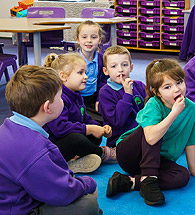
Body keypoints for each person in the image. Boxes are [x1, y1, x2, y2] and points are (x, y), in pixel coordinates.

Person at [106, 59, 195, 206]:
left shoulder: (192, 108)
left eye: (179, 82)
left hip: (157, 160)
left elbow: (191, 141)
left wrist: (193, 169)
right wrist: (174, 113)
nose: (176, 89)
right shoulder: (154, 104)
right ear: (157, 92)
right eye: (167, 87)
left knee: (182, 176)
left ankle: (130, 182)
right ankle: (149, 178)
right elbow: (150, 138)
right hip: (129, 154)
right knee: (153, 131)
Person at [0, 65, 102, 215]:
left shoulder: (7, 127)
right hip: (15, 210)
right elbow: (63, 192)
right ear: (47, 107)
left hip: (12, 198)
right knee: (88, 204)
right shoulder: (35, 149)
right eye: (60, 97)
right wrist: (88, 184)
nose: (62, 101)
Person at [43, 53, 116, 174]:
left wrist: (98, 128)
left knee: (94, 136)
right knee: (77, 139)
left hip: (67, 140)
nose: (86, 76)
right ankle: (102, 153)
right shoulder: (58, 98)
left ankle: (72, 162)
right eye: (80, 73)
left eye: (85, 72)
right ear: (63, 76)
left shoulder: (76, 94)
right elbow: (60, 129)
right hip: (53, 147)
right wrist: (89, 129)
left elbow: (84, 117)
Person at [98, 46, 146, 147]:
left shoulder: (140, 86)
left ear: (131, 67)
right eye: (114, 66)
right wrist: (127, 94)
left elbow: (149, 110)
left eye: (124, 65)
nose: (120, 70)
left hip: (143, 132)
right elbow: (118, 121)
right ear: (106, 71)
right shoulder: (105, 92)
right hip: (121, 139)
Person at [76, 20, 109, 123]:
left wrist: (99, 99)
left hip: (93, 99)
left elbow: (103, 82)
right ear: (78, 39)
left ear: (100, 40)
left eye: (94, 37)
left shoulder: (102, 60)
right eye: (84, 37)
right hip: (76, 99)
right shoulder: (72, 60)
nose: (89, 41)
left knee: (103, 121)